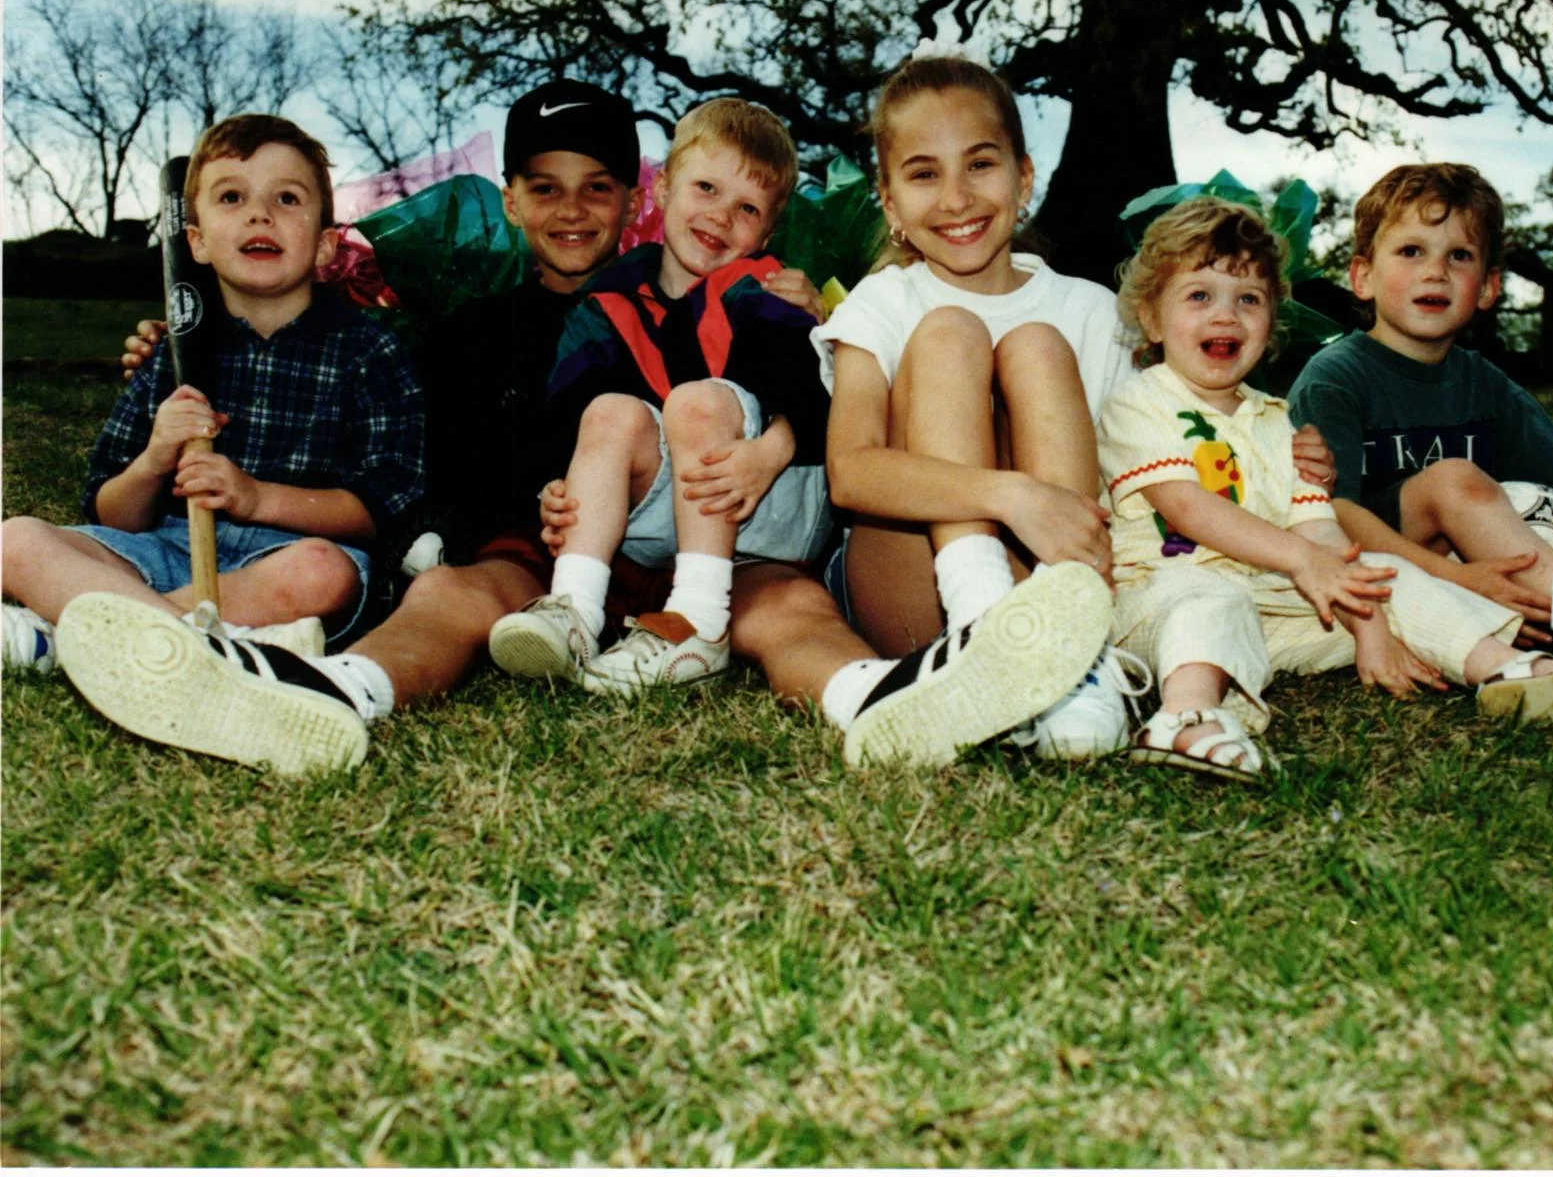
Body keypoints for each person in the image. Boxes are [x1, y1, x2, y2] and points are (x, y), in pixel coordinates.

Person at [60, 80, 1105, 774]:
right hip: (557, 560)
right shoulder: (472, 329)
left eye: (597, 188)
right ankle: (333, 692)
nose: (572, 211)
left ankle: (881, 701)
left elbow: (818, 394)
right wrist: (175, 339)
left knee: (788, 610)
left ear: (630, 200)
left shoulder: (756, 295)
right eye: (545, 188)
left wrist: (792, 374)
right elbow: (411, 442)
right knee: (451, 594)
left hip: (720, 549)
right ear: (511, 200)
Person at [815, 53, 1336, 759]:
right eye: (923, 174)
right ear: (889, 201)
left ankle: (1074, 665)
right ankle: (980, 628)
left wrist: (1282, 455)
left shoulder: (1091, 312)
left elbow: (1169, 445)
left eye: (980, 164)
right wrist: (1011, 495)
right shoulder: (884, 302)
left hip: (1052, 576)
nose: (956, 198)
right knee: (948, 333)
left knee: (1036, 344)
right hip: (915, 584)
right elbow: (850, 474)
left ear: (1024, 177)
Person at [1101, 198, 1553, 777]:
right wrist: (1304, 560)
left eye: (1249, 299)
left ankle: (1503, 669)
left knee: (1389, 572)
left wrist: (1370, 625)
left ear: (1272, 320)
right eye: (1199, 296)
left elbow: (1319, 529)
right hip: (1162, 600)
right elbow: (1188, 507)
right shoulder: (1141, 402)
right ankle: (1186, 716)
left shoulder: (1280, 423)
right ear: (1152, 319)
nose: (1226, 315)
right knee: (1209, 597)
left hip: (1276, 605)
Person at [1287, 163, 1553, 699]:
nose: (1436, 272)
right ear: (1362, 277)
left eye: (1459, 256)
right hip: (1401, 572)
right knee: (1452, 478)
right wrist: (1456, 578)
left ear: (1488, 287)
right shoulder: (1335, 376)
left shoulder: (1484, 380)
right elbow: (1333, 513)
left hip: (1502, 568)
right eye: (1411, 251)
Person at [4, 114, 424, 675]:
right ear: (197, 243)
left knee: (324, 572)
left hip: (284, 559)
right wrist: (155, 459)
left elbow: (382, 509)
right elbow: (114, 514)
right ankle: (195, 642)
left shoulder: (368, 352)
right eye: (231, 197)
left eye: (287, 198)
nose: (259, 214)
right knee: (15, 540)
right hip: (166, 548)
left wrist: (256, 499)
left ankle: (87, 637)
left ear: (326, 245)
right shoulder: (172, 355)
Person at [487, 98, 835, 691]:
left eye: (747, 208)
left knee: (698, 403)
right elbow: (567, 419)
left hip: (767, 491)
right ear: (662, 189)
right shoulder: (608, 302)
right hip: (670, 516)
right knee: (609, 411)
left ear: (768, 231)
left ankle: (698, 624)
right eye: (706, 188)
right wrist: (555, 489)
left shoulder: (763, 293)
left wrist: (768, 454)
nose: (720, 217)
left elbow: (816, 397)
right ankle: (574, 610)